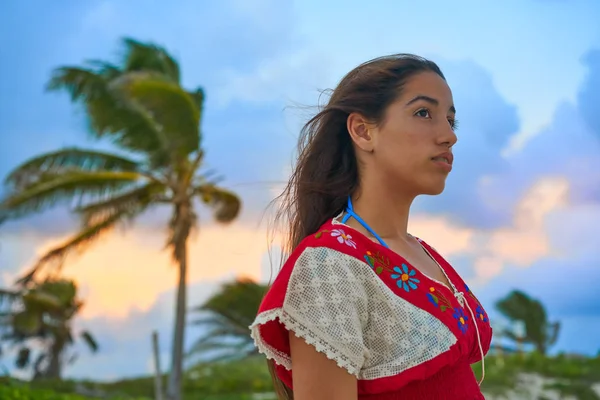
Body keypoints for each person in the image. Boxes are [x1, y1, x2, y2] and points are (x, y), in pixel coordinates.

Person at [249, 54, 493, 400]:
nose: (448, 136)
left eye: (451, 121)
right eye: (424, 113)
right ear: (363, 131)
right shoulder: (328, 265)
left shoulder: (424, 253)